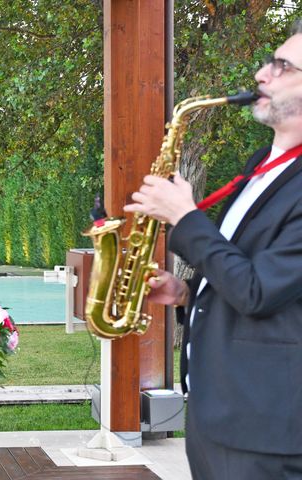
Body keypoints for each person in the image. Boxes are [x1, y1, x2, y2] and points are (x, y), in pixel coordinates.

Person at [123, 21, 302, 480]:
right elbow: (250, 273)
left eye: (283, 66)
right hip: (220, 415)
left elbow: (259, 291)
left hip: (267, 431)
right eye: (269, 61)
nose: (262, 74)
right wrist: (187, 293)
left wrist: (185, 219)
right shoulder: (260, 166)